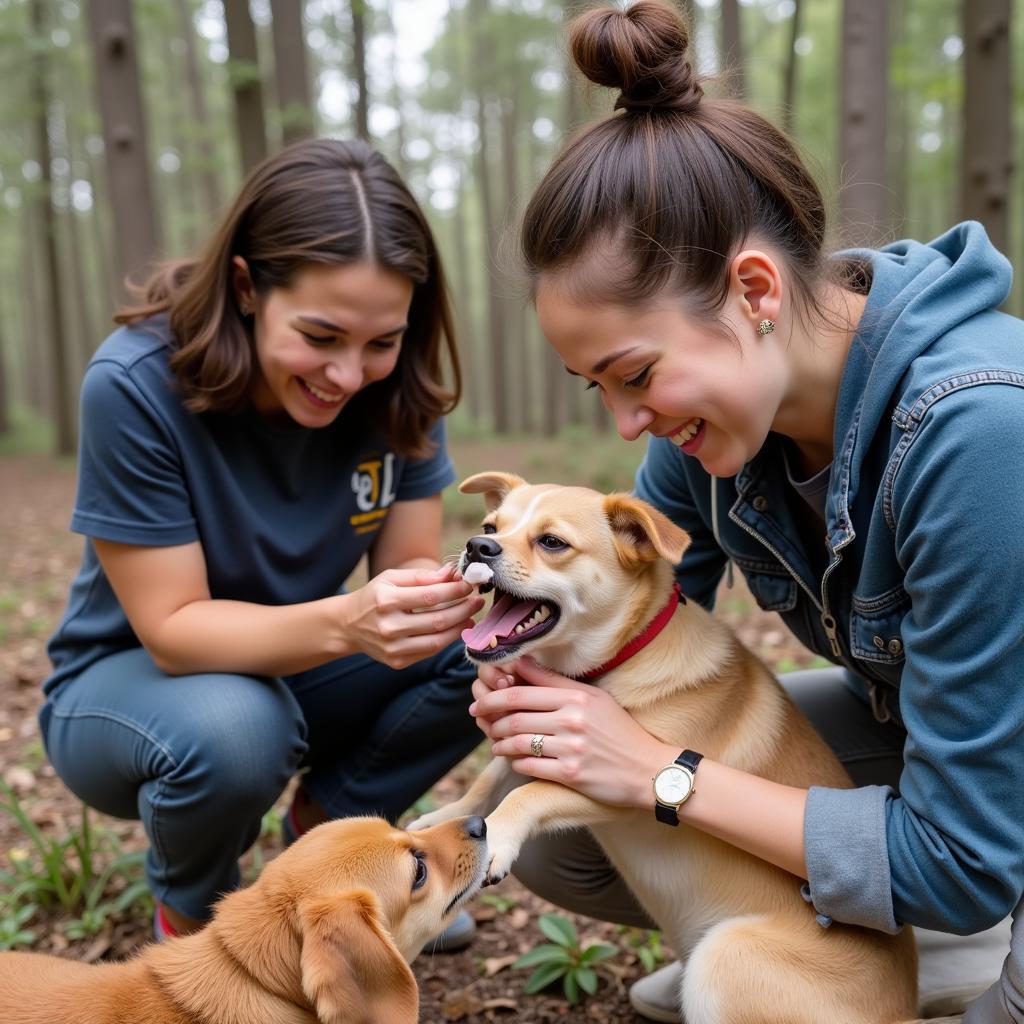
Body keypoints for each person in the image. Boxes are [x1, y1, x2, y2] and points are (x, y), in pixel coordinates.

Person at [467, 2, 1024, 1021]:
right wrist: (503, 652)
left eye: (634, 372)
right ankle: (914, 936)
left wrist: (661, 773)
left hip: (980, 816)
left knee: (632, 779)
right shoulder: (718, 428)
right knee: (561, 817)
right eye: (598, 388)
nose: (630, 421)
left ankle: (970, 934)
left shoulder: (976, 433)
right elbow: (619, 615)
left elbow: (958, 854)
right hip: (956, 752)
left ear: (754, 288)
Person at [41, 138, 486, 948]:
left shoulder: (400, 389)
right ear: (247, 286)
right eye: (320, 337)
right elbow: (174, 632)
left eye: (380, 341)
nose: (349, 375)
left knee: (498, 639)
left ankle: (337, 843)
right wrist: (351, 622)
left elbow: (411, 568)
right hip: (136, 690)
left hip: (302, 671)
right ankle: (200, 914)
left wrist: (433, 598)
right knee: (240, 725)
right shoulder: (137, 387)